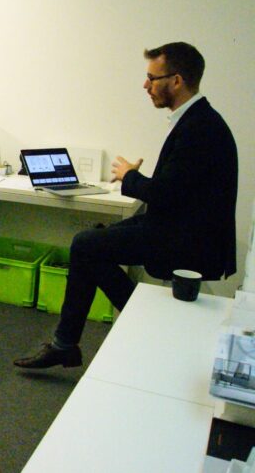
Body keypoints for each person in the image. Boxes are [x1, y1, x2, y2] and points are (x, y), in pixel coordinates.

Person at [14, 42, 238, 370]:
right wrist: (135, 178)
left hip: (187, 240)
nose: (146, 85)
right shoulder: (197, 120)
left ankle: (131, 324)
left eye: (152, 78)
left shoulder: (199, 129)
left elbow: (164, 193)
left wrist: (129, 176)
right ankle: (66, 344)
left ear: (176, 81)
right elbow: (177, 188)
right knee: (90, 243)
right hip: (177, 225)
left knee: (86, 246)